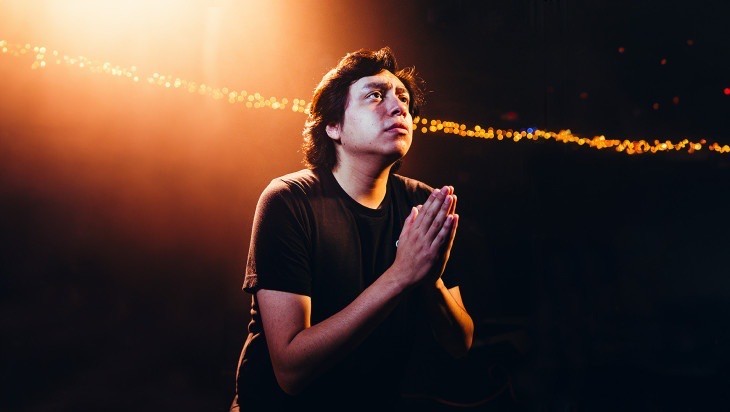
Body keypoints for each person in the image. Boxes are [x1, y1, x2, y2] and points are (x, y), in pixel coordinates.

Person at [230, 46, 474, 411]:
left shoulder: (422, 204)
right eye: (375, 96)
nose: (399, 108)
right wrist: (401, 275)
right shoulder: (289, 200)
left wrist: (430, 280)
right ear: (334, 126)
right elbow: (291, 371)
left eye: (403, 99)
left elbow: (460, 343)